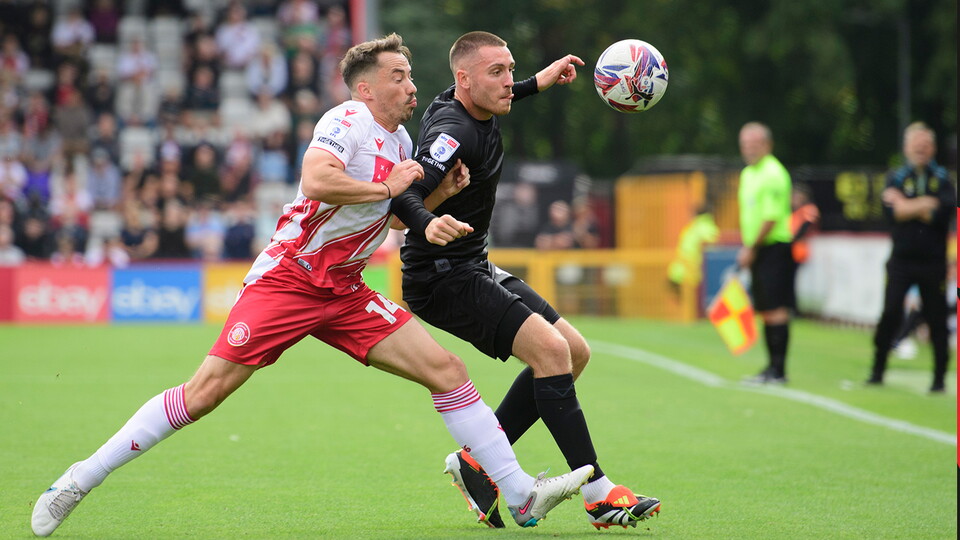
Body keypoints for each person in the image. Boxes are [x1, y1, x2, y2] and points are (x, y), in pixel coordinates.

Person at [30, 34, 593, 538]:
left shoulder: (401, 146)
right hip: (291, 278)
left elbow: (394, 218)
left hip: (346, 288)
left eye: (411, 75)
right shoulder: (346, 120)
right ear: (366, 89)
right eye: (399, 76)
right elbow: (316, 180)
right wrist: (386, 186)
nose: (412, 85)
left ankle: (518, 494)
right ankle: (78, 480)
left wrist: (436, 200)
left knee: (448, 371)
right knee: (204, 394)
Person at [391, 31, 660, 530]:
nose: (509, 82)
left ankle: (477, 463)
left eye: (510, 70)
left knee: (574, 351)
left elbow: (502, 90)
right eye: (498, 73)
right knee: (551, 353)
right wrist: (428, 220)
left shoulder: (468, 101)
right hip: (441, 275)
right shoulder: (452, 130)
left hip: (474, 263)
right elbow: (400, 201)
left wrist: (540, 80)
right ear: (463, 80)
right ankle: (599, 493)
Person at [866, 122, 955, 393]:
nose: (921, 150)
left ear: (933, 149)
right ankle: (878, 369)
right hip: (901, 260)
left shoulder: (942, 179)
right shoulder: (895, 177)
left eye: (925, 145)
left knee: (936, 319)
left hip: (933, 262)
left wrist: (907, 205)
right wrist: (925, 204)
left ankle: (938, 378)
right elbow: (893, 214)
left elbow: (942, 213)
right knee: (891, 313)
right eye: (916, 145)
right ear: (906, 148)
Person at [735, 122, 794, 384]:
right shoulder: (749, 174)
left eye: (754, 144)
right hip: (758, 248)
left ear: (767, 145)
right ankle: (771, 367)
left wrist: (751, 247)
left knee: (776, 307)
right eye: (745, 144)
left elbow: (770, 218)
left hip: (773, 247)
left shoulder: (773, 173)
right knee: (766, 308)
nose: (749, 149)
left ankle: (779, 369)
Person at [667, 203, 719, 298]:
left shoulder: (698, 228)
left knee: (699, 301)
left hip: (698, 270)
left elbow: (712, 247)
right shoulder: (699, 227)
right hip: (691, 269)